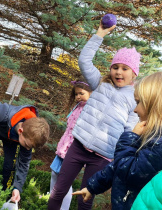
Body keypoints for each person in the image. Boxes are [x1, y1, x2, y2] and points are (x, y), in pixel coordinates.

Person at [48, 21, 140, 209]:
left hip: (102, 156)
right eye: (116, 67)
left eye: (125, 68)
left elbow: (130, 131)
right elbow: (84, 61)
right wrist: (100, 34)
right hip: (78, 145)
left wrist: (120, 155)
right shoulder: (100, 83)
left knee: (85, 201)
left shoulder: (135, 99)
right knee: (58, 192)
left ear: (134, 74)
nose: (119, 72)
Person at [72, 72, 162, 209]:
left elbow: (129, 172)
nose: (135, 110)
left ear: (154, 104)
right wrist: (92, 187)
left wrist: (130, 138)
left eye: (138, 102)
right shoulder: (154, 135)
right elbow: (118, 166)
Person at [50, 78, 92, 210]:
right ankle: (53, 202)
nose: (78, 96)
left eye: (82, 93)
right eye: (76, 94)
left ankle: (63, 208)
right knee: (54, 175)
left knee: (64, 183)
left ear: (91, 93)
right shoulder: (77, 107)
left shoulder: (89, 110)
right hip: (63, 148)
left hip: (72, 150)